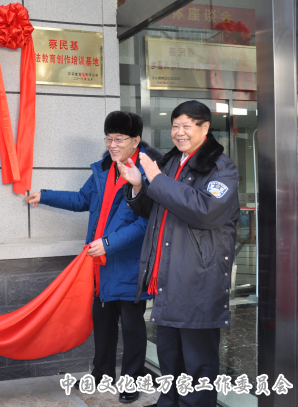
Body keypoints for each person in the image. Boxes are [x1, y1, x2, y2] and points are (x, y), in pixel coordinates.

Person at [26, 111, 160, 404]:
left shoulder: (147, 171)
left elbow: (146, 223)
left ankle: (131, 380)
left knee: (133, 327)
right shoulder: (104, 169)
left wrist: (109, 243)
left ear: (136, 140)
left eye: (119, 139)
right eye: (109, 138)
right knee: (103, 322)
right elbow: (82, 199)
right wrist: (45, 195)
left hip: (128, 263)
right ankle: (101, 375)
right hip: (99, 264)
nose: (112, 145)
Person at [119, 101, 239, 407]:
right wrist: (137, 186)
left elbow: (205, 211)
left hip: (198, 278)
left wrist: (156, 180)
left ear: (205, 128)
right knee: (170, 357)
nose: (179, 132)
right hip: (169, 276)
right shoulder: (173, 163)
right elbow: (156, 210)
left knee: (198, 364)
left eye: (187, 126)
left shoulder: (221, 167)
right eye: (175, 125)